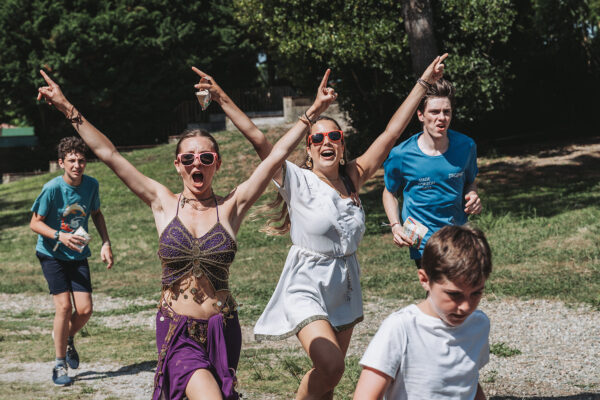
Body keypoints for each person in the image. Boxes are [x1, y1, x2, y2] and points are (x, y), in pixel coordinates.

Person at [36, 67, 336, 400]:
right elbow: (109, 154)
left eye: (206, 157)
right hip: (176, 330)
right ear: (178, 164)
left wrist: (311, 114)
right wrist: (66, 108)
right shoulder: (162, 202)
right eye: (189, 158)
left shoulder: (232, 206)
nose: (198, 163)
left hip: (223, 328)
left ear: (216, 164)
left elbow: (275, 155)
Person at [223, 55, 448, 399]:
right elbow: (258, 138)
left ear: (342, 146)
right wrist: (222, 97)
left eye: (334, 136)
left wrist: (423, 84)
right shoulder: (295, 179)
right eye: (317, 139)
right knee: (331, 366)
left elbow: (390, 134)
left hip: (344, 285)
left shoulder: (353, 178)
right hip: (305, 283)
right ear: (309, 150)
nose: (326, 142)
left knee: (328, 382)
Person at [353, 225, 492, 400]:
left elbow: (468, 381)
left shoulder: (478, 325)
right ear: (425, 280)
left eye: (476, 293)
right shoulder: (401, 328)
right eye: (454, 294)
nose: (465, 306)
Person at [30, 136, 114, 386]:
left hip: (77, 254)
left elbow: (97, 213)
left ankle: (65, 338)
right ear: (61, 163)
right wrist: (60, 236)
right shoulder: (52, 188)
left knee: (85, 310)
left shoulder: (91, 185)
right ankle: (58, 364)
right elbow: (35, 222)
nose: (77, 165)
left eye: (81, 160)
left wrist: (106, 242)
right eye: (71, 161)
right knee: (64, 307)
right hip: (51, 253)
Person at [381, 79, 482, 268]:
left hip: (458, 234)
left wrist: (473, 194)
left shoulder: (466, 146)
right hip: (423, 240)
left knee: (460, 292)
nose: (441, 117)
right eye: (434, 112)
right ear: (420, 115)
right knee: (440, 292)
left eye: (446, 112)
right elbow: (389, 192)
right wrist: (395, 225)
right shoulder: (402, 154)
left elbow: (470, 181)